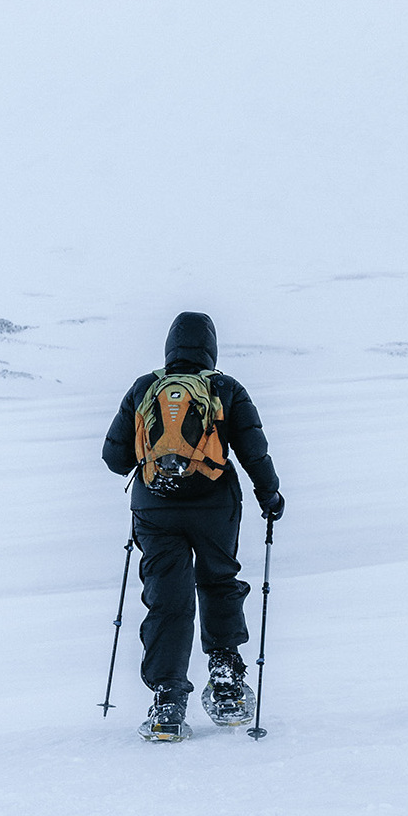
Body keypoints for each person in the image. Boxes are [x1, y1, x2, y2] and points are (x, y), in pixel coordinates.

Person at [102, 312, 284, 742]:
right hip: (214, 506)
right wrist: (270, 496)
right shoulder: (225, 388)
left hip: (155, 510)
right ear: (211, 348)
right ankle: (225, 681)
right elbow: (253, 451)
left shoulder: (146, 387)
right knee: (219, 583)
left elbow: (115, 460)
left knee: (167, 598)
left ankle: (168, 701)